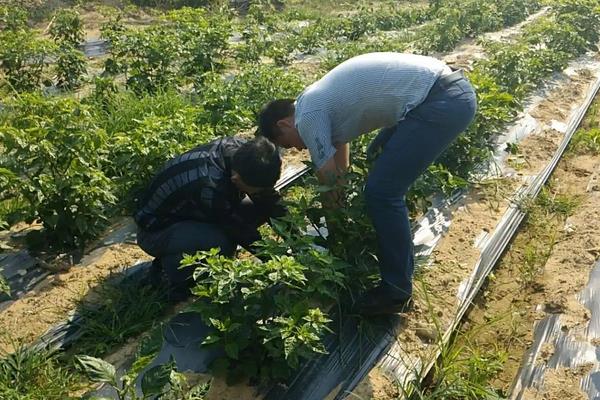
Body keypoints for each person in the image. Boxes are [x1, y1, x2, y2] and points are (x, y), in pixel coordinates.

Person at [257, 52, 477, 315]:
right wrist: (344, 205)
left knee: (382, 193)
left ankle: (396, 292)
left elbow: (328, 179)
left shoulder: (307, 116)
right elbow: (340, 165)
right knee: (375, 161)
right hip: (442, 91)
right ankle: (383, 243)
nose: (296, 148)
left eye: (287, 143)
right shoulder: (314, 100)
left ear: (283, 123)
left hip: (439, 101)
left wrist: (337, 235)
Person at [134, 136, 286, 300]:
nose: (257, 193)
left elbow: (269, 200)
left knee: (255, 209)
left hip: (191, 212)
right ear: (236, 179)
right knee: (222, 243)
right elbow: (239, 231)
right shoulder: (210, 185)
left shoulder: (246, 153)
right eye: (255, 190)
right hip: (156, 231)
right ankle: (171, 274)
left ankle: (189, 249)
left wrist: (299, 241)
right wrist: (279, 265)